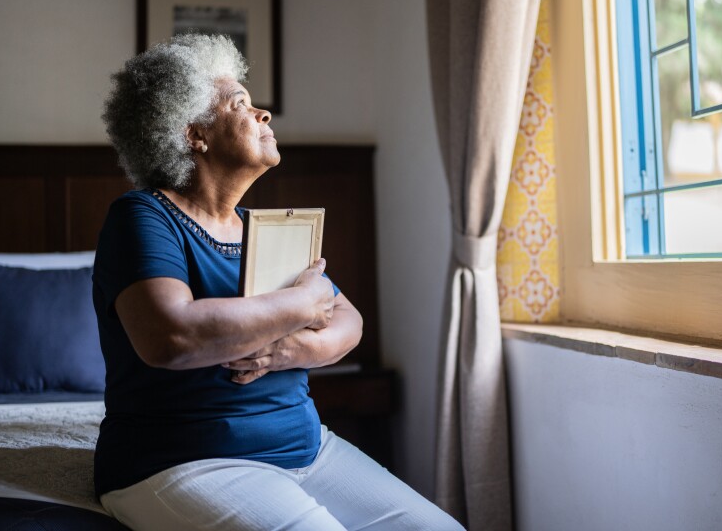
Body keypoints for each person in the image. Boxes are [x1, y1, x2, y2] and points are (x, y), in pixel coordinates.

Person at [92, 34, 464, 531]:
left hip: (308, 450)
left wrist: (289, 352)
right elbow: (172, 336)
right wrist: (304, 302)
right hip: (183, 461)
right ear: (194, 134)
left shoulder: (262, 227)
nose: (263, 113)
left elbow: (349, 321)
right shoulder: (142, 216)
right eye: (240, 104)